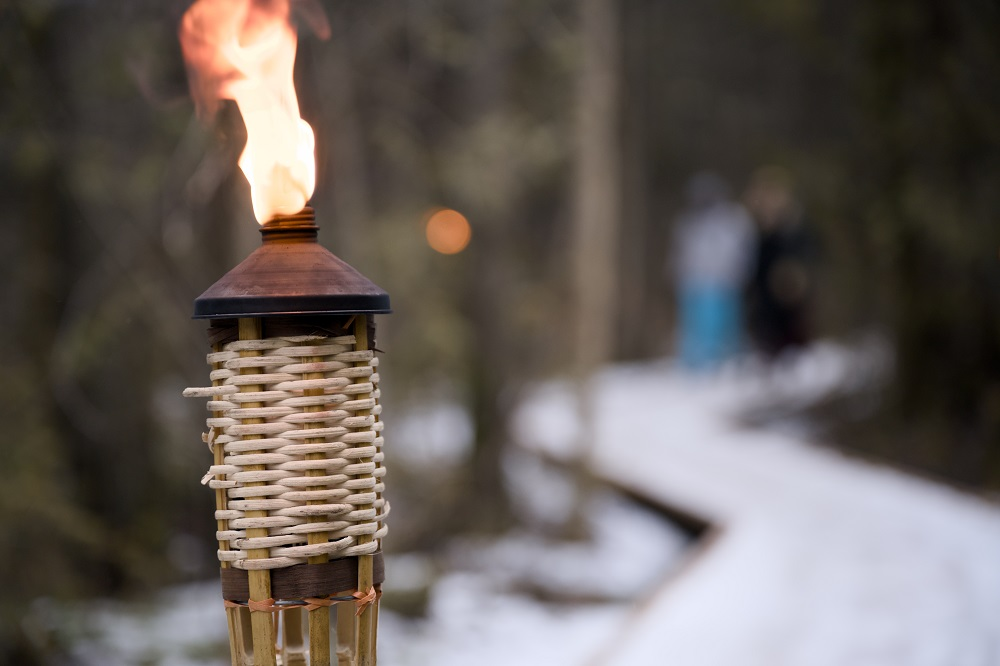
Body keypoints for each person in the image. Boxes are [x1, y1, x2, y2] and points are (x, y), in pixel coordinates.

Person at [670, 172, 755, 370]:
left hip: (723, 282)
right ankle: (695, 366)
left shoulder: (732, 219)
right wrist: (676, 273)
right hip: (692, 282)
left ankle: (724, 363)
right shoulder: (687, 221)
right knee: (694, 328)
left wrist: (740, 274)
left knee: (722, 326)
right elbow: (680, 252)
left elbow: (742, 251)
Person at [743, 166, 815, 358]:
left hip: (786, 277)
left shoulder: (791, 221)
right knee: (766, 319)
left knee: (790, 319)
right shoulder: (754, 221)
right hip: (763, 278)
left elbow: (803, 246)